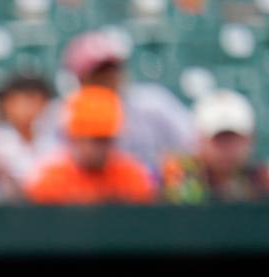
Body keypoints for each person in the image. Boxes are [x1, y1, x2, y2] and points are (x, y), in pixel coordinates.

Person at [36, 29, 195, 173]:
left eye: (112, 70)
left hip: (148, 195)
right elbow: (44, 165)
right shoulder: (61, 113)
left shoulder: (153, 103)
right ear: (80, 78)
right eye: (98, 72)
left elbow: (192, 142)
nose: (107, 78)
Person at [24, 86, 157, 204]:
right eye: (95, 139)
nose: (102, 147)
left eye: (106, 139)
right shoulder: (50, 180)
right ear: (74, 138)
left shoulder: (132, 177)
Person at [162, 89, 269, 203]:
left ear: (249, 140)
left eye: (233, 139)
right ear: (200, 140)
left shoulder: (262, 182)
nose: (226, 149)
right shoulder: (175, 181)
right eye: (218, 140)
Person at [0, 74, 55, 185]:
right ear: (5, 104)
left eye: (31, 100)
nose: (25, 108)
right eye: (17, 100)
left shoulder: (57, 141)